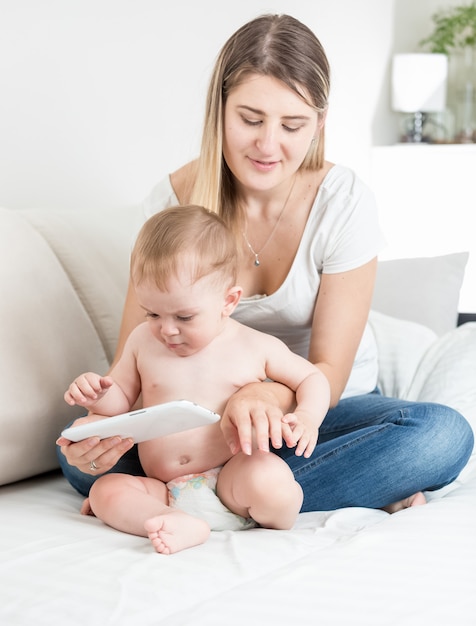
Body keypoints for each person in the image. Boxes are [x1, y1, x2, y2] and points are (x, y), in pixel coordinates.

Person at [57, 13, 473, 515]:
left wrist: (262, 396)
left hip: (315, 414)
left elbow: (330, 373)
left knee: (441, 435)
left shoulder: (342, 203)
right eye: (250, 120)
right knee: (75, 457)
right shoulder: (171, 204)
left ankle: (204, 498)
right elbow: (136, 360)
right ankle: (262, 495)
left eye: (292, 125)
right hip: (194, 427)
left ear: (319, 124)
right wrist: (101, 432)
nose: (268, 145)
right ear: (220, 111)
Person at [63, 205, 329, 554]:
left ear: (228, 301)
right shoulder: (143, 341)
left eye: (184, 316)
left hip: (231, 480)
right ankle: (175, 522)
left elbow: (312, 377)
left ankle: (278, 511)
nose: (167, 329)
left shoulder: (253, 345)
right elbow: (118, 402)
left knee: (268, 476)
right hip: (165, 488)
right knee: (105, 490)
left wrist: (308, 417)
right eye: (153, 313)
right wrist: (94, 394)